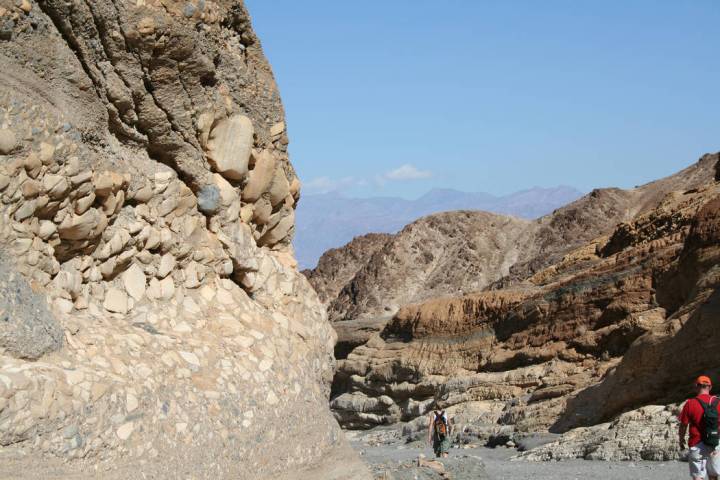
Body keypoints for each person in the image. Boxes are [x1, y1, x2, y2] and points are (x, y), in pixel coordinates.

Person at [679, 375, 720, 480]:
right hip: (714, 443)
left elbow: (683, 425)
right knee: (714, 476)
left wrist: (681, 440)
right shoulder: (718, 402)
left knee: (698, 477)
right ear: (710, 387)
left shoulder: (690, 404)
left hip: (697, 444)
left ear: (697, 386)